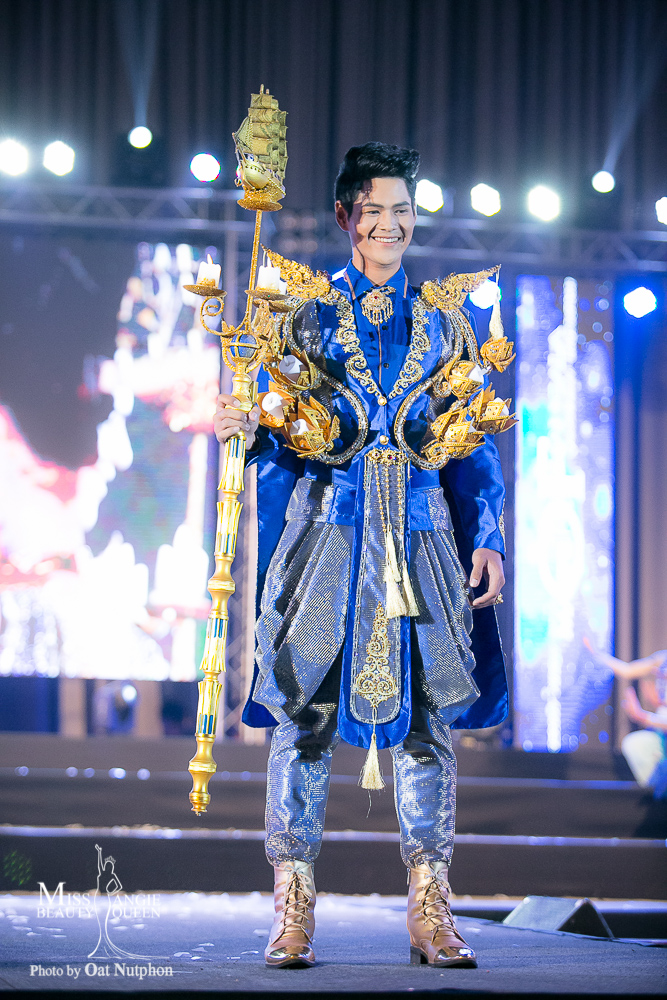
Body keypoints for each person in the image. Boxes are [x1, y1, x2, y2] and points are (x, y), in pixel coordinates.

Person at [214, 143, 510, 969]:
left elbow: (473, 445)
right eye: (375, 210)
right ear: (346, 216)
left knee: (426, 724)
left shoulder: (447, 321)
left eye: (402, 211)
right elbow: (278, 432)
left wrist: (487, 536)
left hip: (422, 540)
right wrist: (245, 431)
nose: (390, 225)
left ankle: (430, 908)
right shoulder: (302, 315)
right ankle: (293, 908)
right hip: (327, 538)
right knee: (302, 715)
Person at [584, 638, 667, 799]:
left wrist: (644, 717)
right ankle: (655, 796)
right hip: (661, 732)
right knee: (635, 744)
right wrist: (596, 652)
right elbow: (627, 669)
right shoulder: (662, 659)